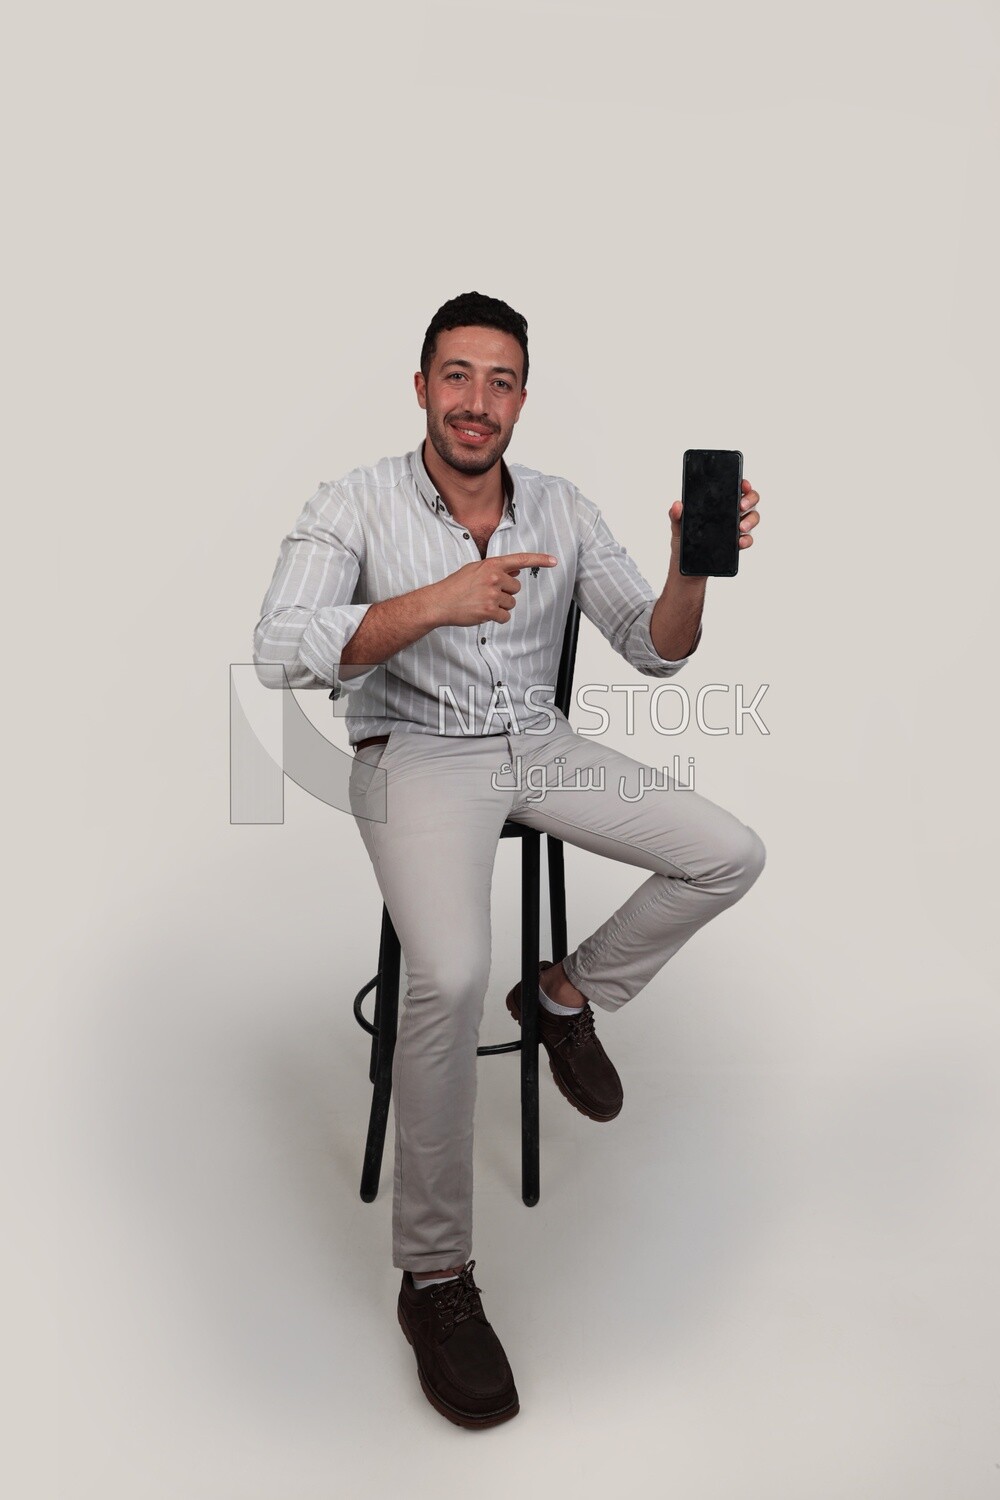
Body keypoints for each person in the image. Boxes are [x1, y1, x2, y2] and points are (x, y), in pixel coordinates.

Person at [253, 291, 765, 1429]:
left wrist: (692, 565)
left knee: (728, 853)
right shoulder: (354, 503)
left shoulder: (565, 508)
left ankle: (565, 993)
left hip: (537, 743)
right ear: (421, 384)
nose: (475, 401)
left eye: (499, 380)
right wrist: (428, 604)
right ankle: (434, 1281)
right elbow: (278, 646)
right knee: (438, 977)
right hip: (417, 754)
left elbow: (656, 647)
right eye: (456, 375)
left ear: (521, 397)